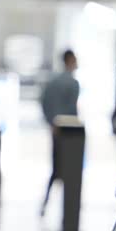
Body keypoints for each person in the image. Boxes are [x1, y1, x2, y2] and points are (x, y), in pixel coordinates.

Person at [40, 50, 80, 214]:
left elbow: (44, 102)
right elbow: (72, 111)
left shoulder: (52, 82)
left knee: (56, 168)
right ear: (70, 60)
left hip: (56, 132)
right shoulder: (73, 84)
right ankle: (69, 210)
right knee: (69, 171)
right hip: (70, 135)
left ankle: (46, 203)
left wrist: (51, 123)